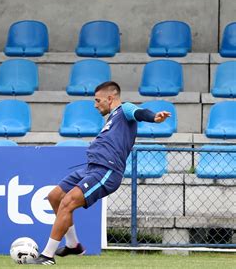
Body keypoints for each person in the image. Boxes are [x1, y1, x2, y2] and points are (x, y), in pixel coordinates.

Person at [27, 81, 171, 265]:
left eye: (98, 100)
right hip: (90, 167)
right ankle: (73, 244)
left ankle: (47, 256)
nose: (95, 105)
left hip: (106, 170)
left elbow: (139, 112)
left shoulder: (124, 110)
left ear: (110, 98)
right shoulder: (112, 119)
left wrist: (154, 117)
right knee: (54, 196)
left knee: (67, 202)